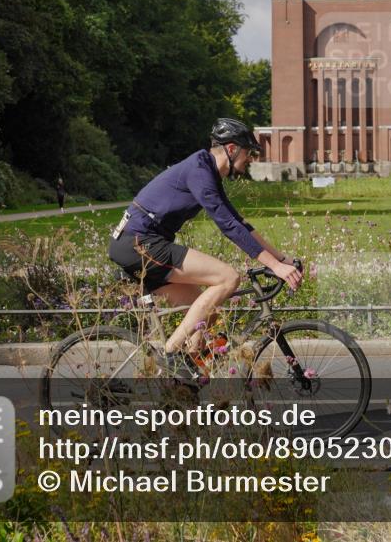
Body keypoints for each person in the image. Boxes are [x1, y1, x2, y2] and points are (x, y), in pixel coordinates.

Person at [108, 117, 302, 377]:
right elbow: (227, 227)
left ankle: (179, 385)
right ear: (232, 149)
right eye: (248, 153)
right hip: (138, 243)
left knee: (206, 316)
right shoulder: (199, 170)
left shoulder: (207, 172)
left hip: (144, 244)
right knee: (228, 278)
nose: (250, 160)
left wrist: (281, 259)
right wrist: (275, 266)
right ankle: (171, 353)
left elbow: (239, 222)